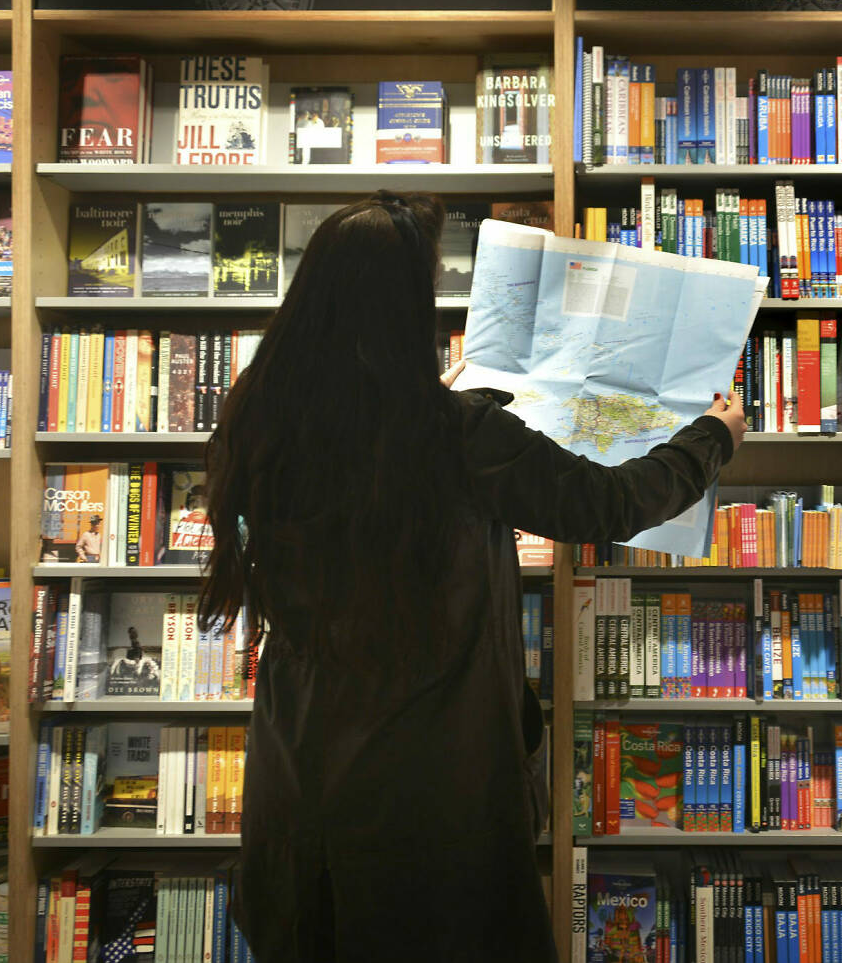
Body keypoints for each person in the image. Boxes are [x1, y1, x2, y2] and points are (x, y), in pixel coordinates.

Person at [198, 192, 746, 962]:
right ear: (403, 314)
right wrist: (710, 438)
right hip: (430, 797)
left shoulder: (254, 420)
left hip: (298, 786)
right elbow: (612, 502)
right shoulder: (455, 437)